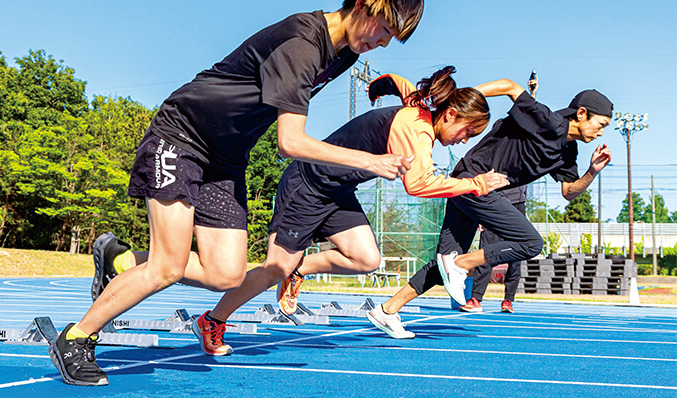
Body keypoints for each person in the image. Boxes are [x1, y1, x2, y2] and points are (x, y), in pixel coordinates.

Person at [49, 0, 425, 386]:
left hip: (226, 158)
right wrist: (371, 161)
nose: (382, 41)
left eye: (392, 38)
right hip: (182, 136)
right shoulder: (304, 42)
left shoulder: (343, 55)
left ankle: (118, 258)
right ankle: (76, 338)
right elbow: (290, 142)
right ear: (363, 4)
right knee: (168, 267)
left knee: (225, 273)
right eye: (384, 29)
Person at [188, 66, 509, 355]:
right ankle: (213, 320)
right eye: (468, 132)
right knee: (274, 267)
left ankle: (299, 269)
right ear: (451, 115)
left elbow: (401, 82)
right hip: (307, 183)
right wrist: (476, 184)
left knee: (365, 259)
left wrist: (378, 86)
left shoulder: (419, 106)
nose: (463, 140)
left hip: (336, 192)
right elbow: (419, 185)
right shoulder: (418, 131)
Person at [368, 76, 612, 338]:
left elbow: (569, 192)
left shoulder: (567, 152)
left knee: (443, 265)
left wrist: (592, 171)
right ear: (582, 114)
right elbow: (509, 86)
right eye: (601, 125)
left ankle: (388, 310)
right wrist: (460, 99)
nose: (601, 132)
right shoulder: (547, 120)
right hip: (474, 181)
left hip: (469, 187)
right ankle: (461, 263)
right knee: (531, 243)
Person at [459, 71, 537, 314]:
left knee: (517, 255)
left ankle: (508, 300)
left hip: (517, 205)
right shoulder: (489, 154)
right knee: (486, 253)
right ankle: (476, 299)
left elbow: (533, 118)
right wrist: (481, 215)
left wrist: (532, 93)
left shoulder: (522, 149)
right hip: (494, 206)